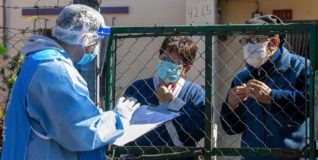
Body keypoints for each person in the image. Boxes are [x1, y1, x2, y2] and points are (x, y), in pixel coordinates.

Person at [1, 4, 140, 160]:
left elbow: (62, 117)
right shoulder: (54, 69)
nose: (95, 49)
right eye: (96, 42)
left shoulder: (40, 61)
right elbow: (80, 131)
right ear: (86, 38)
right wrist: (118, 118)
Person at [220, 15, 310, 160]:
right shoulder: (242, 77)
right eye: (244, 41)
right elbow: (231, 129)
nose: (248, 46)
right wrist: (230, 106)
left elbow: (312, 104)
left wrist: (273, 97)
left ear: (273, 42)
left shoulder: (301, 67)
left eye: (255, 40)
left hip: (293, 156)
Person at [123, 36, 205, 158]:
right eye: (165, 59)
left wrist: (172, 102)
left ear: (186, 69)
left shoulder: (194, 92)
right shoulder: (138, 88)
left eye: (175, 62)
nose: (167, 64)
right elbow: (123, 125)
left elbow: (198, 131)